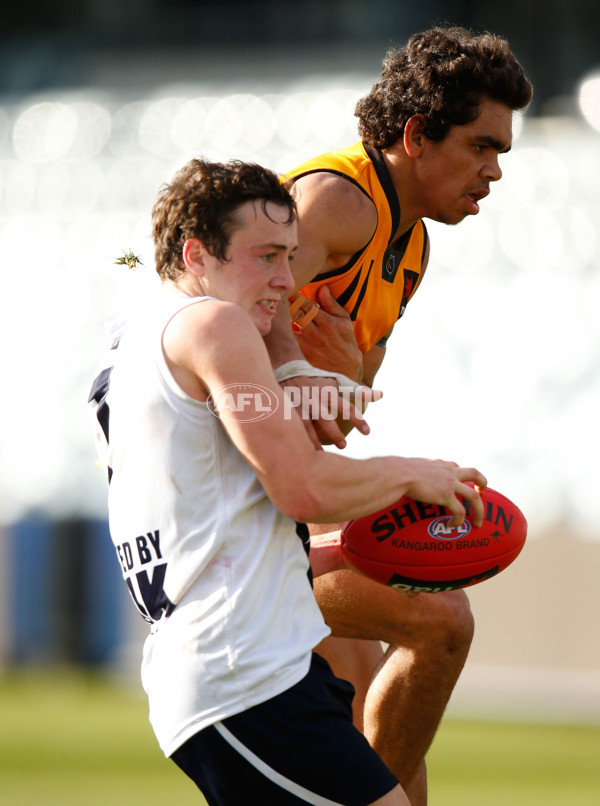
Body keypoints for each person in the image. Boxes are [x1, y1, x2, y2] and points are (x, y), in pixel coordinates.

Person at [89, 157, 487, 805]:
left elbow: (215, 525)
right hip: (243, 678)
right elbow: (301, 489)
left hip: (244, 675)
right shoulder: (218, 325)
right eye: (267, 255)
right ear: (196, 254)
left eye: (291, 255)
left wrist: (346, 549)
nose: (285, 280)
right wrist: (418, 477)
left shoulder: (127, 348)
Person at [263, 26, 533, 806]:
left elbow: (333, 411)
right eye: (483, 147)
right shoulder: (336, 203)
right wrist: (313, 375)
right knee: (440, 625)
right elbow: (206, 341)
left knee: (390, 732)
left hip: (283, 501)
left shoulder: (407, 245)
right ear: (416, 135)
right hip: (225, 515)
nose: (493, 171)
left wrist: (333, 384)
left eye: (502, 154)